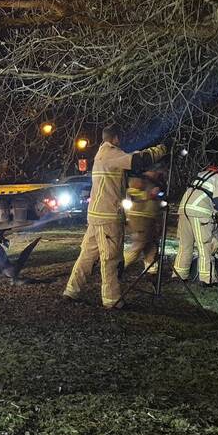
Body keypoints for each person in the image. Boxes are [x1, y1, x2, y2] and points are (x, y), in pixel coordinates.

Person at [63, 125, 167, 309]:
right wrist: (162, 149)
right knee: (111, 259)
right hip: (108, 217)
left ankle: (72, 290)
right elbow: (137, 160)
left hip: (96, 216)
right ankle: (112, 300)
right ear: (116, 138)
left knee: (87, 256)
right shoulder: (111, 153)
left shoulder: (101, 154)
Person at [172, 157, 218, 286]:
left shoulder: (202, 174)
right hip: (200, 213)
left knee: (185, 245)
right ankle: (207, 279)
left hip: (183, 210)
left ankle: (179, 275)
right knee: (205, 246)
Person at [122, 168, 165, 276]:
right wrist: (150, 195)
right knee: (139, 244)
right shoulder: (139, 180)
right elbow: (131, 193)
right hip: (139, 217)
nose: (159, 173)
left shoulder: (155, 183)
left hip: (150, 218)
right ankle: (120, 265)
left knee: (151, 243)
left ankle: (151, 270)